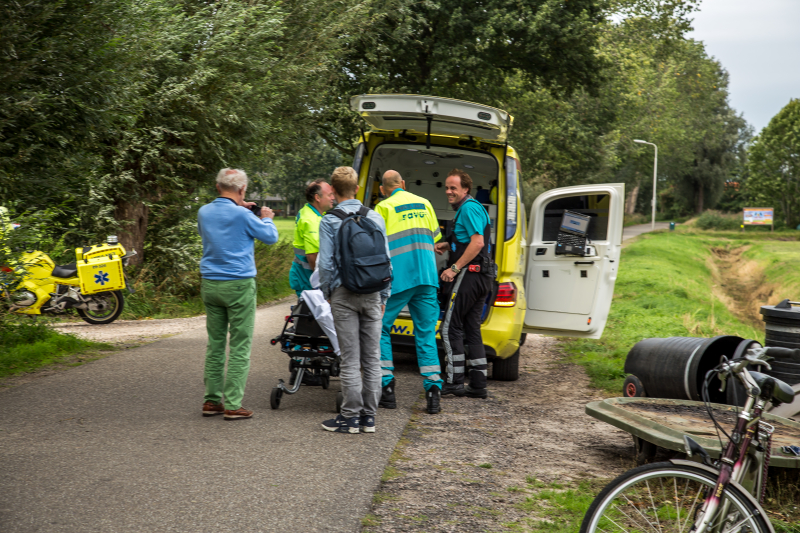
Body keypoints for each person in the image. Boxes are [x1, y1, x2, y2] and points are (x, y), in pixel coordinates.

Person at [197, 168, 279, 420]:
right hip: (239, 284)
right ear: (242, 190)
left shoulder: (203, 212)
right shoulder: (244, 215)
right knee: (240, 345)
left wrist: (240, 207)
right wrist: (265, 216)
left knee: (216, 343)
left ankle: (211, 401)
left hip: (210, 282)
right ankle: (233, 404)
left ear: (216, 185)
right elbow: (270, 237)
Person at [318, 166, 391, 433]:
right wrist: (384, 294)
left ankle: (349, 418)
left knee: (350, 359)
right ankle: (369, 419)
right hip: (372, 292)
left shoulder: (329, 220)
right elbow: (386, 259)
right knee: (372, 358)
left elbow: (325, 265)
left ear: (334, 192)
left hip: (344, 294)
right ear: (358, 189)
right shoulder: (375, 216)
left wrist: (328, 292)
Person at [374, 170, 444, 414]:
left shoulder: (383, 208)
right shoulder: (425, 203)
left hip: (399, 280)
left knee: (380, 326)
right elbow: (436, 239)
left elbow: (376, 247)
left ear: (383, 189)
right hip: (427, 277)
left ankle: (387, 387)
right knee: (425, 333)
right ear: (403, 184)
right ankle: (433, 390)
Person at [434, 168, 493, 399]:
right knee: (471, 328)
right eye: (447, 187)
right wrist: (448, 245)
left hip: (470, 275)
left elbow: (477, 243)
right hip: (482, 277)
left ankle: (453, 382)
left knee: (449, 328)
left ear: (465, 189)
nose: (449, 191)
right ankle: (478, 385)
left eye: (453, 188)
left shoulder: (468, 209)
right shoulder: (474, 208)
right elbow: (470, 240)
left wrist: (454, 268)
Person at [290, 179, 336, 296]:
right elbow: (312, 255)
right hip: (308, 278)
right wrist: (322, 284)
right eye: (329, 194)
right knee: (311, 313)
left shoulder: (310, 212)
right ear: (317, 198)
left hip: (304, 275)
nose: (333, 197)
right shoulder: (311, 221)